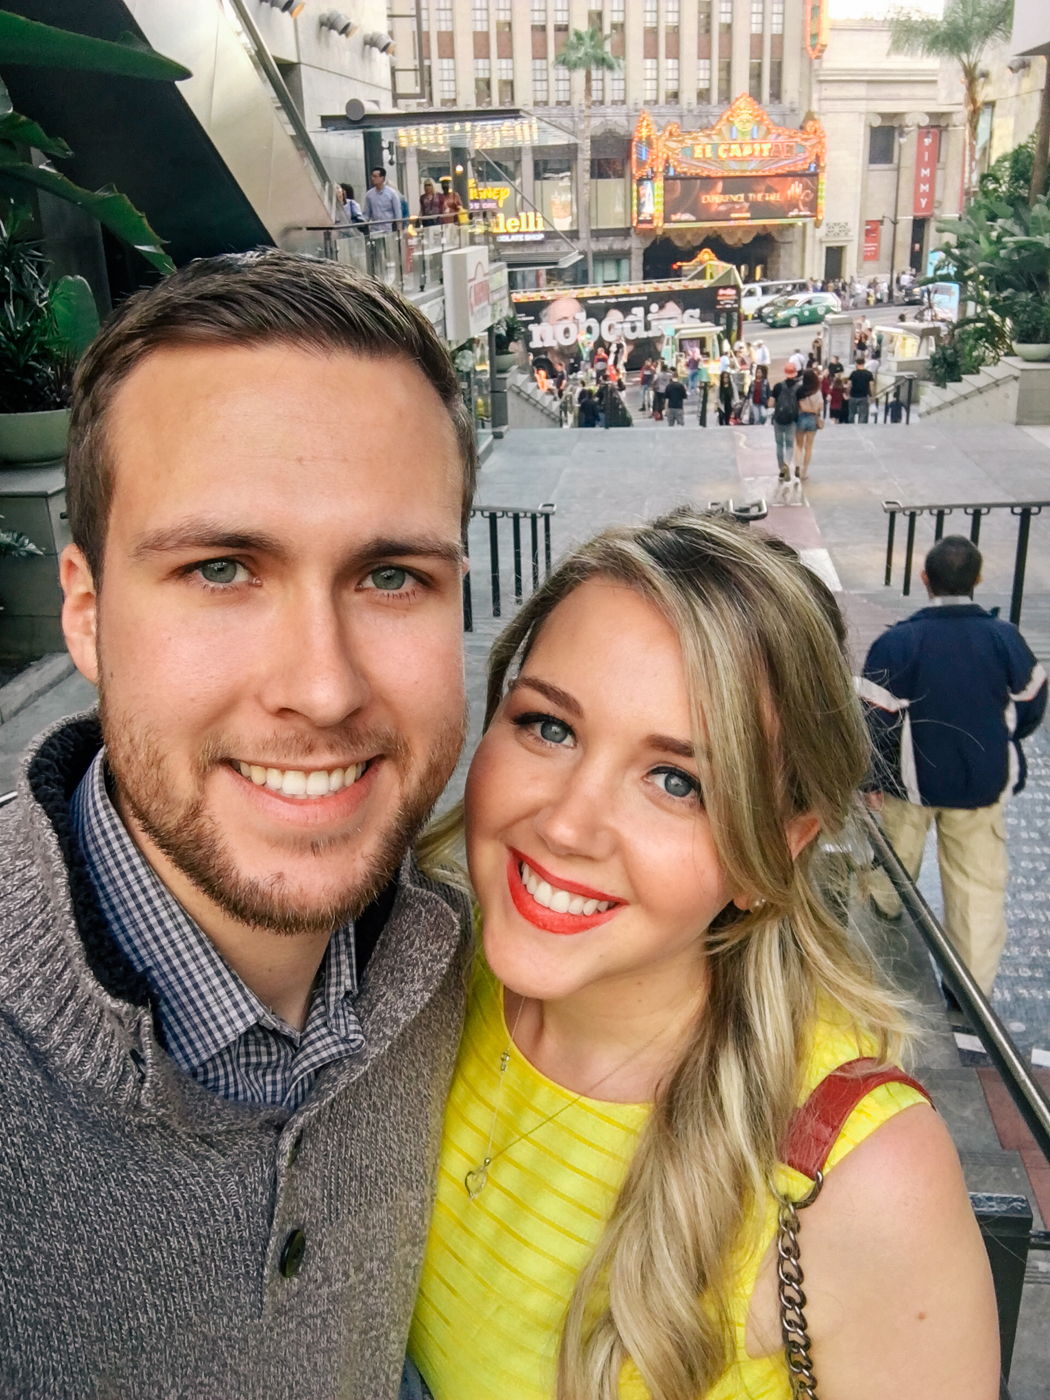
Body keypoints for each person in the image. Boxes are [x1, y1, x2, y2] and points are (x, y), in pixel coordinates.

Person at [0, 251, 476, 1394]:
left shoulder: (465, 975)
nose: (322, 687)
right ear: (87, 611)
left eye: (393, 576)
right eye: (221, 568)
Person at [407, 510, 999, 1400]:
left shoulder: (864, 1180)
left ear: (778, 850)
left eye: (677, 781)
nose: (566, 823)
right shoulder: (414, 986)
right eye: (549, 728)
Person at [861, 536, 1047, 999]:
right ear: (979, 579)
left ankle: (884, 917)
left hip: (910, 785)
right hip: (981, 785)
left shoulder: (897, 643)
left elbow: (872, 720)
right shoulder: (1005, 640)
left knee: (893, 860)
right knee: (976, 890)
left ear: (925, 579)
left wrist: (871, 781)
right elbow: (1031, 703)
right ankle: (967, 994)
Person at [770, 361, 800, 480]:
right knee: (789, 445)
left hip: (778, 419)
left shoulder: (778, 386)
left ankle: (781, 468)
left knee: (779, 444)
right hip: (791, 420)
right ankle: (787, 463)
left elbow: (771, 402)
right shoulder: (798, 388)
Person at [794, 367, 824, 481]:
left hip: (801, 418)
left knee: (798, 445)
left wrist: (809, 409)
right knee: (809, 447)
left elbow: (802, 406)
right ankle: (804, 471)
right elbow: (821, 406)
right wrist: (815, 410)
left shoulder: (800, 391)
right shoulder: (818, 391)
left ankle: (797, 466)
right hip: (812, 420)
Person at [364, 165, 402, 232]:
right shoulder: (369, 195)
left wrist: (399, 231)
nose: (373, 178)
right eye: (372, 176)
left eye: (375, 176)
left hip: (389, 229)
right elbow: (366, 214)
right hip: (375, 230)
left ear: (382, 178)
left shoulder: (392, 194)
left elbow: (398, 214)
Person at [847, 354, 874, 423]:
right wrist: (872, 395)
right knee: (863, 414)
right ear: (864, 363)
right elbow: (871, 385)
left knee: (851, 413)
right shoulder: (868, 374)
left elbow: (849, 384)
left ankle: (850, 425)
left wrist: (847, 393)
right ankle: (862, 427)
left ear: (856, 364)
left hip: (853, 395)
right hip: (864, 396)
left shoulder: (853, 373)